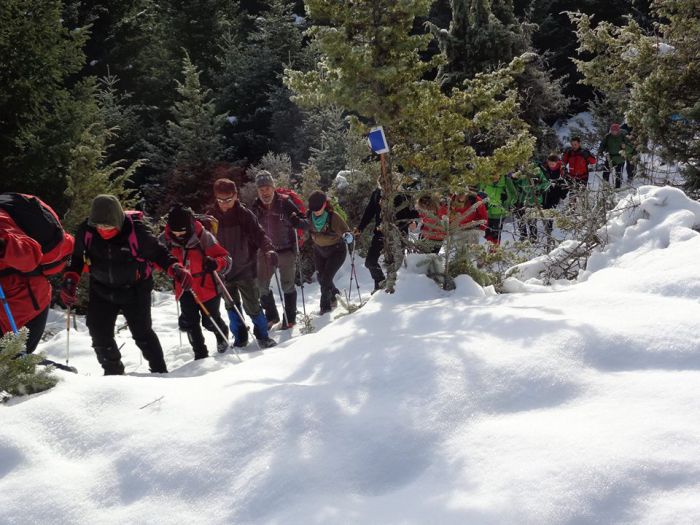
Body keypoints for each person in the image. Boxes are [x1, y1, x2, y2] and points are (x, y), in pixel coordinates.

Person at [61, 195, 192, 375]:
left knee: (142, 333)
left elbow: (159, 254)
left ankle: (160, 371)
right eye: (99, 226)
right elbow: (76, 258)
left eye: (108, 226)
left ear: (118, 221)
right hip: (101, 288)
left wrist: (175, 268)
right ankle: (113, 373)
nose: (103, 230)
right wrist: (71, 279)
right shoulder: (87, 231)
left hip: (135, 289)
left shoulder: (137, 232)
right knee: (99, 333)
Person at [0, 193, 74, 353]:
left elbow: (30, 254)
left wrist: (4, 245)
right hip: (11, 300)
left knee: (15, 367)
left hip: (25, 304)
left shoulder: (1, 219)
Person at [210, 178, 277, 349]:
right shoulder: (212, 216)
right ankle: (240, 337)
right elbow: (205, 241)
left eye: (228, 199)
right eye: (220, 200)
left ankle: (262, 336)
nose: (224, 204)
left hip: (245, 268)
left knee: (253, 305)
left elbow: (259, 234)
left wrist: (268, 250)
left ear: (235, 195)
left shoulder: (244, 215)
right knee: (231, 306)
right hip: (223, 271)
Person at [163, 204, 232, 359]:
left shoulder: (204, 236)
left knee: (210, 321)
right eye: (175, 231)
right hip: (184, 287)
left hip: (207, 286)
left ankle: (222, 335)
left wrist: (215, 263)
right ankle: (200, 354)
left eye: (182, 231)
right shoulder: (165, 239)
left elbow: (225, 258)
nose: (179, 234)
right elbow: (158, 259)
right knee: (190, 323)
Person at [251, 171, 308, 330]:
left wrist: (297, 221)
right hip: (266, 252)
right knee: (261, 286)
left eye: (267, 188)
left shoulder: (285, 203)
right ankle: (272, 316)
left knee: (287, 285)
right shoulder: (255, 206)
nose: (265, 192)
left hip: (286, 250)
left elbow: (306, 222)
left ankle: (289, 318)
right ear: (258, 191)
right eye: (261, 189)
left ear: (273, 187)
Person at [356, 182, 419, 292]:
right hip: (381, 232)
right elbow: (369, 212)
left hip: (398, 233)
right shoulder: (377, 193)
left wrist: (414, 222)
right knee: (370, 261)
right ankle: (380, 284)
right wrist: (360, 228)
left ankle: (394, 293)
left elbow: (413, 212)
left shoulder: (402, 194)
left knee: (394, 265)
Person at [307, 190, 353, 314]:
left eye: (318, 208)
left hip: (336, 250)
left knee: (326, 279)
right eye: (313, 209)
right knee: (321, 278)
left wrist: (348, 236)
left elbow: (346, 231)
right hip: (319, 250)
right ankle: (334, 294)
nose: (316, 211)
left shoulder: (333, 217)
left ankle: (325, 308)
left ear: (324, 204)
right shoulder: (309, 216)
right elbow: (302, 225)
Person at [510, 168, 549, 241]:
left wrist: (539, 189)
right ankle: (523, 235)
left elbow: (546, 183)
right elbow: (515, 183)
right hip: (522, 197)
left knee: (532, 218)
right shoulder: (521, 171)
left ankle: (533, 236)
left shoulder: (537, 170)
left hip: (534, 197)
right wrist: (514, 179)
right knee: (520, 217)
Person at [479, 175, 516, 245]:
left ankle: (494, 252)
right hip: (486, 212)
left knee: (496, 234)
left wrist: (506, 201)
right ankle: (493, 248)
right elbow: (479, 192)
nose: (495, 176)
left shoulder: (506, 180)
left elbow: (514, 196)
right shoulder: (485, 178)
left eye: (497, 173)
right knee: (486, 233)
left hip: (499, 213)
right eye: (493, 173)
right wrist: (482, 201)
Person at [599, 123, 635, 188]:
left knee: (618, 174)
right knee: (605, 173)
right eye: (612, 130)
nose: (614, 132)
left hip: (620, 158)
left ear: (618, 130)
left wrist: (625, 147)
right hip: (610, 157)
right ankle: (605, 187)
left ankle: (617, 188)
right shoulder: (608, 137)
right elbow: (602, 145)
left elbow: (630, 149)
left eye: (615, 131)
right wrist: (600, 151)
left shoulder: (623, 136)